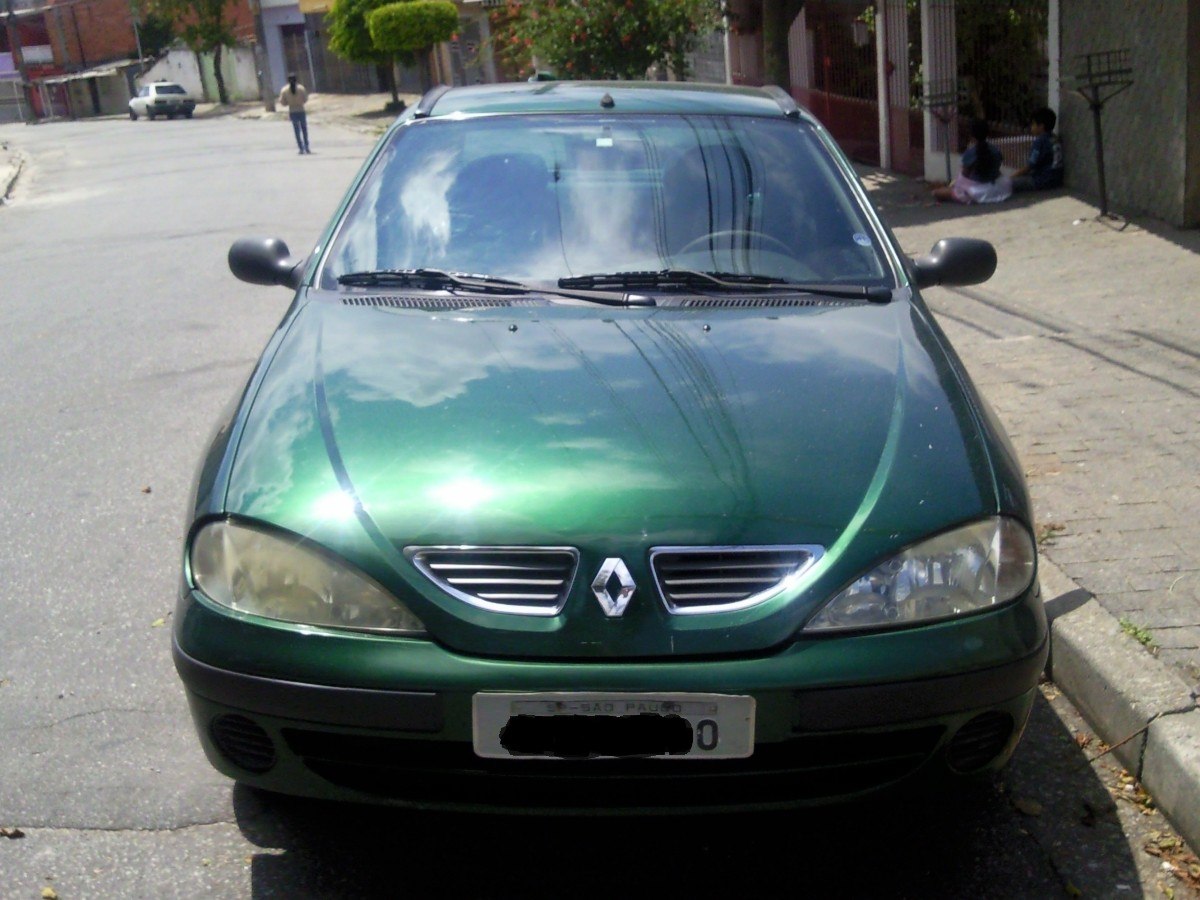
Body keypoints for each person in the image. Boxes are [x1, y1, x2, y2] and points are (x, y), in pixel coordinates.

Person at [931, 118, 1012, 204]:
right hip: (999, 187)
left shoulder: (970, 153)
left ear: (972, 135)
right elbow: (997, 170)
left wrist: (955, 186)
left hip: (976, 191)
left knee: (936, 193)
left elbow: (964, 176)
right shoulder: (996, 151)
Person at [1012, 106, 1064, 192]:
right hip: (1056, 179)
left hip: (1042, 180)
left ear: (1041, 126)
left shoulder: (1040, 141)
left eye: (1033, 124)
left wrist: (1011, 177)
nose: (1031, 127)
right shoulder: (1055, 138)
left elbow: (1030, 166)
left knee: (1009, 183)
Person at [278, 73, 311, 155]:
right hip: (301, 110)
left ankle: (301, 148)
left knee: (297, 130)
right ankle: (306, 146)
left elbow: (282, 102)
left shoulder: (284, 90)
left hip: (292, 111)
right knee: (304, 129)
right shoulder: (301, 88)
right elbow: (305, 99)